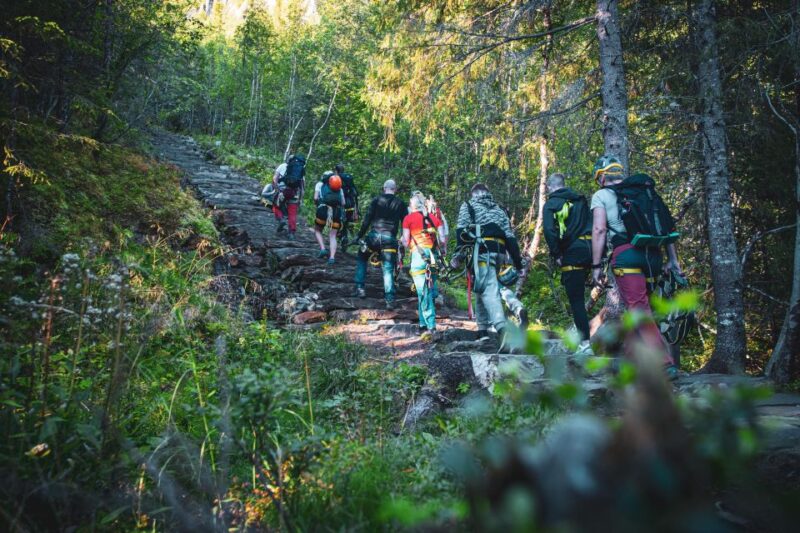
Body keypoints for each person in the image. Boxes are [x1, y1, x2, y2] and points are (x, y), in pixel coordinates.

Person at [590, 155, 682, 378]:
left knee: (639, 310)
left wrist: (596, 265)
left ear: (601, 178)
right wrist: (673, 260)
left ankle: (664, 363)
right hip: (653, 256)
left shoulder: (601, 195)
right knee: (636, 308)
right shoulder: (642, 193)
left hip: (626, 256)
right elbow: (665, 226)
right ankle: (630, 363)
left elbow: (600, 230)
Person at [454, 184, 524, 345]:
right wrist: (518, 263)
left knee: (489, 291)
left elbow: (461, 232)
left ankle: (502, 328)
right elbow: (510, 237)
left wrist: (458, 256)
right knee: (482, 288)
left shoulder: (469, 205)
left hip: (481, 254)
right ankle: (482, 330)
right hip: (499, 253)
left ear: (473, 194)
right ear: (488, 193)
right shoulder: (499, 210)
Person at [542, 172, 593, 353]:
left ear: (549, 187)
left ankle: (585, 344)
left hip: (571, 254)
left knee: (577, 300)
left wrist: (556, 253)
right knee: (581, 297)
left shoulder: (551, 204)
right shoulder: (580, 200)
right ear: (564, 184)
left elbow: (549, 230)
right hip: (590, 250)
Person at [353, 179, 407, 308]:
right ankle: (389, 299)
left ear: (384, 188)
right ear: (395, 189)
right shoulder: (400, 203)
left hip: (373, 238)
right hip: (389, 239)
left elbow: (367, 219)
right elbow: (405, 224)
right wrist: (403, 239)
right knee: (388, 269)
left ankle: (360, 287)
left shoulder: (376, 200)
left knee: (362, 257)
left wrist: (359, 236)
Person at [402, 192, 446, 338]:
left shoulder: (408, 219)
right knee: (427, 290)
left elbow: (405, 240)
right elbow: (443, 238)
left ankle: (431, 326)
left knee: (424, 292)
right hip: (432, 257)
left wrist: (409, 246)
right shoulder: (433, 218)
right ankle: (422, 324)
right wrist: (442, 250)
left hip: (418, 257)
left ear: (411, 206)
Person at [314, 171, 345, 265]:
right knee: (333, 236)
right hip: (336, 213)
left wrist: (318, 204)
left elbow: (315, 198)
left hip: (323, 211)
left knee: (318, 230)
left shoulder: (320, 184)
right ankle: (332, 257)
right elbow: (343, 203)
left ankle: (323, 249)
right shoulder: (339, 188)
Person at [273, 154, 306, 240]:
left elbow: (275, 178)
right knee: (292, 213)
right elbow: (302, 187)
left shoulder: (282, 166)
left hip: (283, 191)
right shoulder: (300, 170)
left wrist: (276, 188)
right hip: (294, 193)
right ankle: (291, 233)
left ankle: (281, 220)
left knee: (276, 206)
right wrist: (300, 199)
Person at [335, 163, 359, 247]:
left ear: (336, 171)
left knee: (338, 220)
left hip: (341, 203)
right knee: (346, 222)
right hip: (350, 203)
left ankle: (339, 235)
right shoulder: (349, 178)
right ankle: (344, 237)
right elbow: (355, 192)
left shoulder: (336, 178)